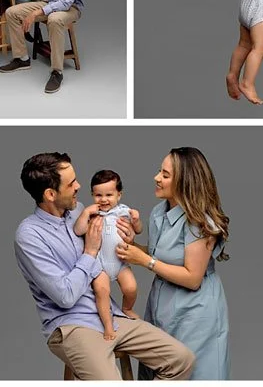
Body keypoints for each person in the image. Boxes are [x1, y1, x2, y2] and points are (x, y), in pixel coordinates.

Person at [15, 152, 195, 381]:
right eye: (71, 184)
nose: (79, 186)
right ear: (50, 194)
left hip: (111, 315)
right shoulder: (30, 235)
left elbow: (110, 243)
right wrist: (89, 252)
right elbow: (65, 296)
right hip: (72, 326)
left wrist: (128, 238)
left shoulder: (80, 211)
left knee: (181, 360)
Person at [116, 147, 230, 380]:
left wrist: (144, 260)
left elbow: (192, 278)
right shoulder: (160, 212)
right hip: (162, 305)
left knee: (190, 372)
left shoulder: (200, 222)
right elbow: (162, 255)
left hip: (195, 313)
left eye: (165, 175)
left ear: (185, 181)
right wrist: (133, 246)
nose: (156, 178)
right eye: (160, 171)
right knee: (160, 368)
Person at [73, 169, 143, 338]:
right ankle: (108, 325)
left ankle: (127, 308)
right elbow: (78, 230)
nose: (103, 200)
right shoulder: (92, 213)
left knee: (131, 288)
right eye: (98, 195)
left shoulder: (124, 211)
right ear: (92, 195)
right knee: (102, 292)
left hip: (120, 262)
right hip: (100, 264)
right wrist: (85, 214)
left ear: (119, 195)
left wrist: (136, 220)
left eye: (109, 195)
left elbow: (138, 231)